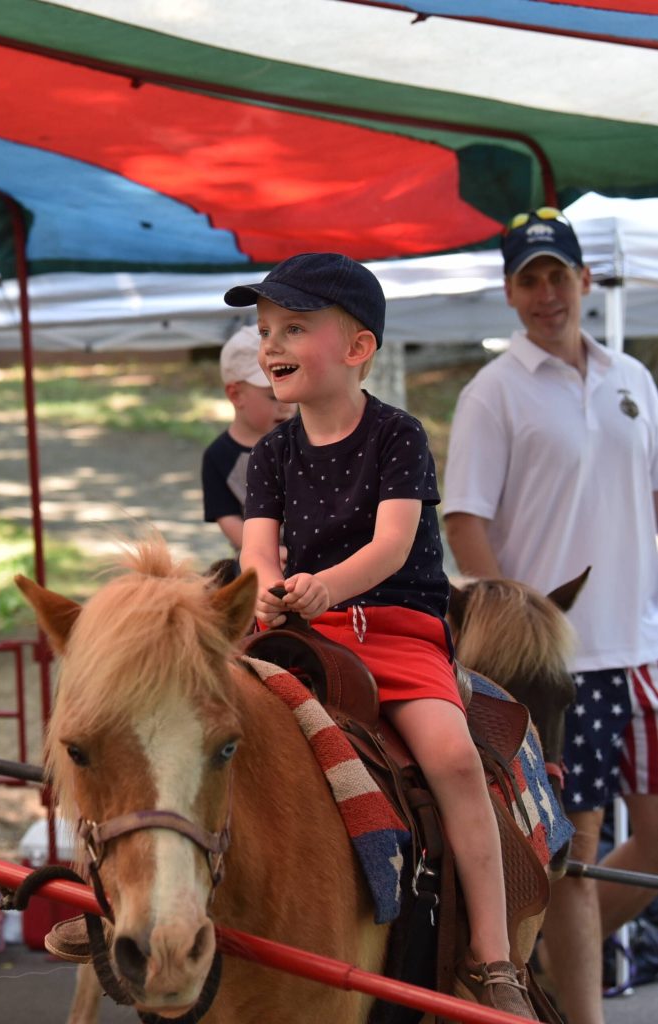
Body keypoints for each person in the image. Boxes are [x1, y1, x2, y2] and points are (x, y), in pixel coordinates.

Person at [224, 251, 538, 1019]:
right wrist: (266, 590)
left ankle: (491, 956)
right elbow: (256, 550)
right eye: (265, 329)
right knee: (200, 723)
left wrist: (326, 584)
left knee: (453, 759)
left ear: (358, 348)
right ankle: (137, 899)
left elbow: (393, 543)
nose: (270, 345)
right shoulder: (270, 452)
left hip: (394, 631)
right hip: (306, 630)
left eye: (294, 327)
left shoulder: (396, 434)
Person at [443, 208, 658, 1024]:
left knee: (606, 855)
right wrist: (517, 629)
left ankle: (534, 968)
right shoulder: (490, 392)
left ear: (583, 280)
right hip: (562, 662)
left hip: (639, 647)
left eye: (555, 275)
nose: (544, 293)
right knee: (577, 847)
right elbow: (462, 519)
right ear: (508, 292)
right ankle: (574, 1009)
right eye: (527, 280)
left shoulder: (631, 377)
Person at [201, 324, 294, 559]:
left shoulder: (304, 438)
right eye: (273, 395)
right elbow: (227, 517)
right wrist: (269, 552)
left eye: (292, 388)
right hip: (257, 557)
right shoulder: (218, 456)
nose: (286, 402)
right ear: (235, 394)